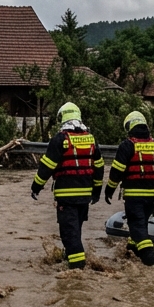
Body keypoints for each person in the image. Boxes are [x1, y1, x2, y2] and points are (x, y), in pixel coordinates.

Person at [31, 102, 104, 270]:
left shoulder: (60, 139)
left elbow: (47, 166)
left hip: (66, 196)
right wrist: (97, 191)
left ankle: (77, 271)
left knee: (69, 234)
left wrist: (36, 186)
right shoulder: (91, 139)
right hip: (85, 196)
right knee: (75, 231)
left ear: (62, 117)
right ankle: (69, 258)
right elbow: (99, 166)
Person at [104, 111, 154, 266]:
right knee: (142, 225)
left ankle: (150, 260)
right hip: (152, 196)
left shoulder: (127, 145)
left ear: (129, 127)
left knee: (137, 226)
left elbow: (117, 171)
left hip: (134, 196)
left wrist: (109, 190)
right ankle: (131, 251)